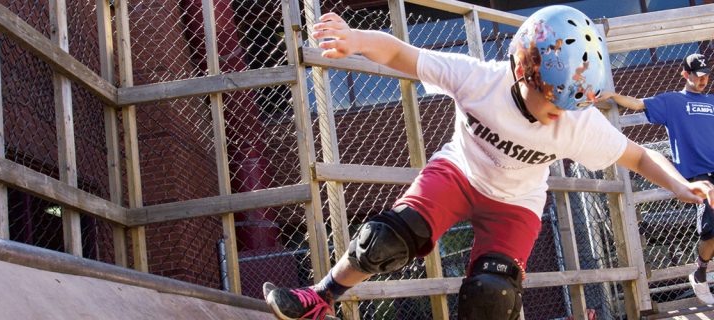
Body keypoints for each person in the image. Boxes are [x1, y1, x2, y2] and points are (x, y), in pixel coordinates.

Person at [263, 6, 714, 320]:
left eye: (571, 103)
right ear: (522, 70)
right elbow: (404, 53)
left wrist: (679, 184)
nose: (560, 113)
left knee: (492, 297)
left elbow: (638, 154)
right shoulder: (479, 79)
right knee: (384, 240)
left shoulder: (578, 120)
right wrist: (357, 39)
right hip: (458, 173)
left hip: (516, 204)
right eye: (553, 102)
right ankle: (319, 298)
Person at [599, 53, 714, 305]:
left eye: (706, 75)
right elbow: (639, 104)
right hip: (700, 176)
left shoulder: (712, 101)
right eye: (698, 75)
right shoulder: (672, 101)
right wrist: (613, 97)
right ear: (685, 74)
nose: (704, 79)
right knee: (711, 229)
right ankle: (701, 270)